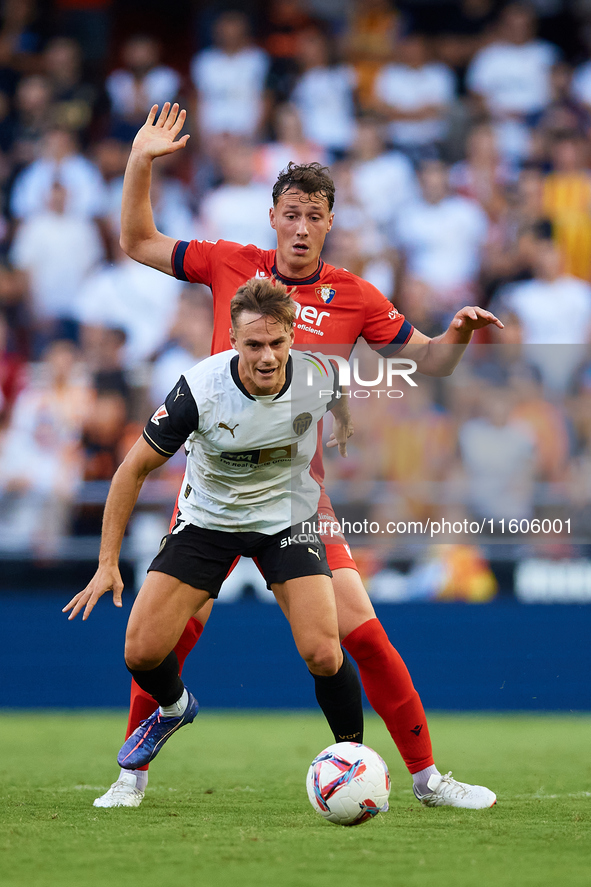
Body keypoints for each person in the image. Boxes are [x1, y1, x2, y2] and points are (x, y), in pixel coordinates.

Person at [96, 102, 502, 810]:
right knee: (169, 637)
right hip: (216, 490)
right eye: (292, 213)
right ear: (273, 215)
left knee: (357, 636)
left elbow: (430, 365)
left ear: (329, 222)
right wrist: (140, 159)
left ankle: (425, 778)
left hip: (297, 499)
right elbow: (135, 240)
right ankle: (132, 775)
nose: (302, 227)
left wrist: (457, 333)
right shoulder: (230, 263)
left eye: (316, 215)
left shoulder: (354, 295)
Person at [64, 278, 364, 782]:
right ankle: (176, 705)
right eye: (253, 345)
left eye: (276, 343)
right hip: (207, 522)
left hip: (285, 518)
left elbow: (338, 395)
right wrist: (107, 563)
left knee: (323, 650)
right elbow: (129, 471)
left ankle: (355, 760)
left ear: (293, 336)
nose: (267, 356)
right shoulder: (199, 390)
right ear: (232, 341)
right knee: (140, 651)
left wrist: (344, 423)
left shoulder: (320, 373)